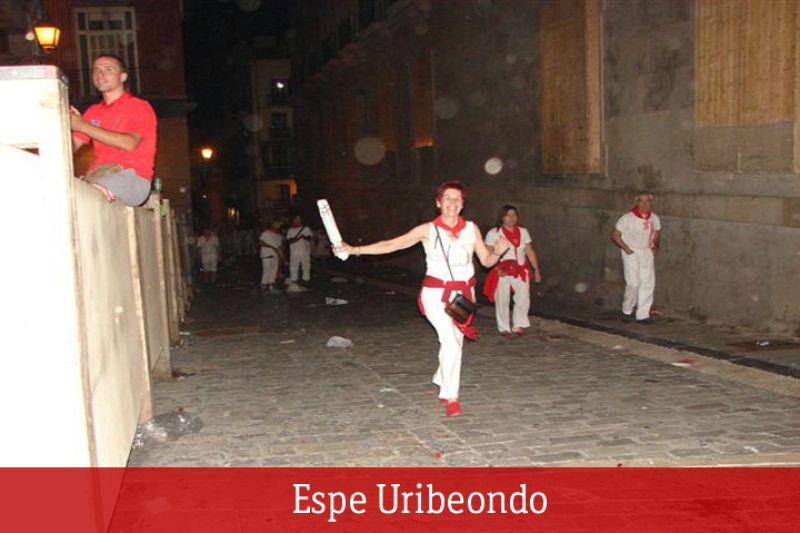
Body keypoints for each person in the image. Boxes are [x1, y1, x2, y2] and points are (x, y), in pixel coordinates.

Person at [338, 181, 510, 417]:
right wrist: (354, 250)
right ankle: (451, 397)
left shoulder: (472, 229)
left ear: (462, 204)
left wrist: (498, 252)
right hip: (436, 295)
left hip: (463, 296)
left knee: (455, 342)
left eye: (457, 198)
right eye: (447, 198)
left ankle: (441, 377)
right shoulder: (427, 230)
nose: (452, 203)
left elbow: (486, 261)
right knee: (450, 339)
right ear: (438, 203)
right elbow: (391, 244)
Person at [70, 54, 157, 206]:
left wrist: (82, 125)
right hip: (101, 175)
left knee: (83, 195)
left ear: (123, 76)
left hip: (132, 179)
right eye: (96, 70)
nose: (100, 74)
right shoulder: (92, 112)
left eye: (108, 69)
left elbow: (129, 143)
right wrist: (62, 124)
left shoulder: (139, 107)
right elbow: (71, 146)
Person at [483, 205, 543, 337]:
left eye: (514, 215)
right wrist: (496, 268)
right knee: (502, 298)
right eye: (508, 215)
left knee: (523, 297)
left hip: (520, 268)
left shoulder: (523, 231)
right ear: (502, 217)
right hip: (502, 268)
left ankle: (518, 324)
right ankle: (504, 327)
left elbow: (529, 251)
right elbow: (488, 253)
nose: (512, 218)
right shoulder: (494, 233)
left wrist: (536, 269)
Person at [610, 192, 662, 324]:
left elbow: (657, 232)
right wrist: (626, 248)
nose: (644, 205)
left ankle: (643, 314)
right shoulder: (627, 218)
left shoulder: (654, 218)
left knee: (647, 282)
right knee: (633, 283)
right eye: (641, 201)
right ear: (637, 203)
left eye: (647, 202)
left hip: (646, 251)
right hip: (631, 252)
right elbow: (616, 235)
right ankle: (627, 309)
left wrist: (655, 246)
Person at [285, 215, 313, 290]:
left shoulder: (306, 228)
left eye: (299, 219)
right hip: (294, 251)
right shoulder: (290, 230)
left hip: (305, 251)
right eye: (296, 220)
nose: (297, 221)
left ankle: (306, 280)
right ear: (293, 221)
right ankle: (294, 280)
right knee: (293, 266)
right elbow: (288, 240)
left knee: (306, 266)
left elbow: (309, 237)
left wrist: (303, 237)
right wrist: (299, 237)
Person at [259, 220, 286, 294]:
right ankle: (264, 287)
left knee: (273, 271)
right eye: (276, 224)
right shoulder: (266, 233)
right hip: (266, 255)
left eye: (279, 225)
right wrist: (271, 247)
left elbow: (280, 246)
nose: (278, 226)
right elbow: (261, 242)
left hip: (275, 256)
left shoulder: (279, 235)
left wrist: (282, 257)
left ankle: (271, 286)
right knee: (266, 271)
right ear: (272, 225)